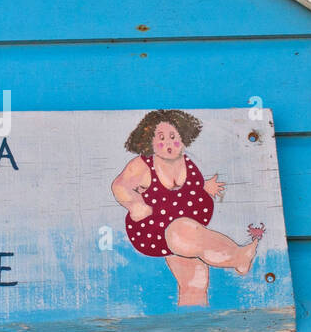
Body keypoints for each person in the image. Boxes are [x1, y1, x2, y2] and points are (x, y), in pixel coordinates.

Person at [111, 109, 263, 307]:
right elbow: (119, 186)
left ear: (183, 137)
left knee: (196, 281)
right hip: (155, 229)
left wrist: (205, 187)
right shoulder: (142, 165)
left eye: (173, 137)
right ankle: (237, 257)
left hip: (188, 232)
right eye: (161, 137)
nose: (167, 143)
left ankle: (194, 315)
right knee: (181, 231)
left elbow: (191, 189)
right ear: (149, 140)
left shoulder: (187, 162)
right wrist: (134, 203)